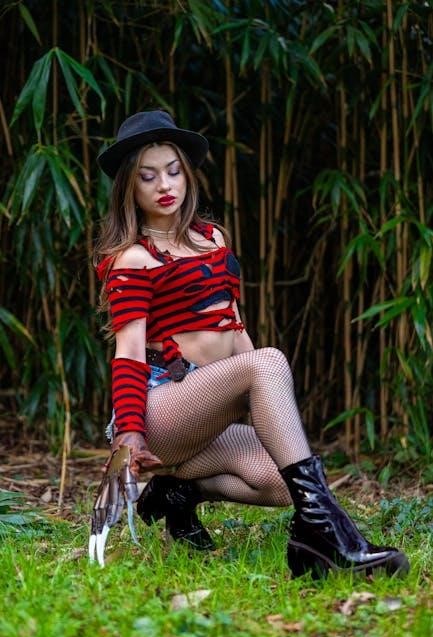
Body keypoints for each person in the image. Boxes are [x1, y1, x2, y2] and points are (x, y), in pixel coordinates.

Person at [92, 109, 409, 579]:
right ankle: (329, 539)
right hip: (161, 409)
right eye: (148, 176)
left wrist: (263, 406)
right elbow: (130, 354)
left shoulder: (213, 239)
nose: (165, 185)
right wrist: (130, 433)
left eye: (174, 171)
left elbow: (236, 329)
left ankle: (177, 493)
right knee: (269, 362)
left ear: (188, 174)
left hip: (209, 401)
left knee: (280, 481)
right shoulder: (133, 259)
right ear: (129, 188)